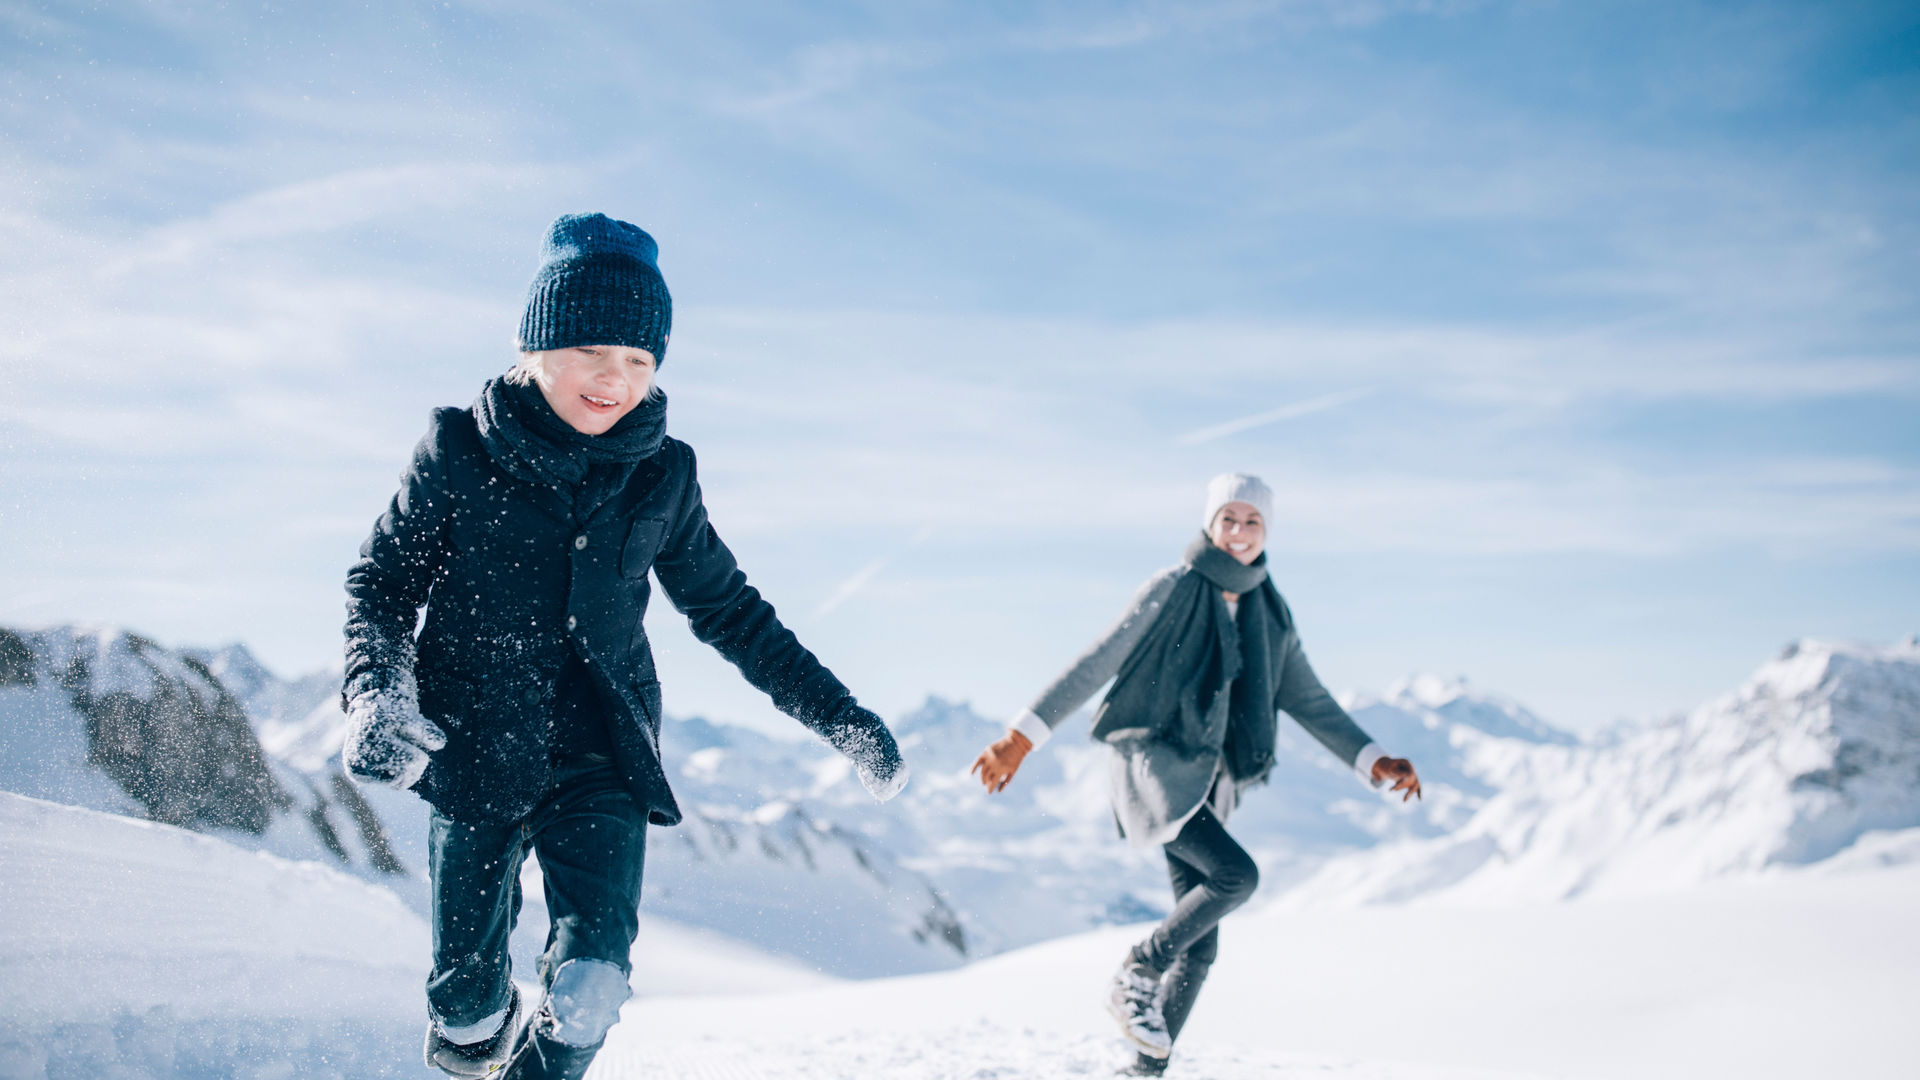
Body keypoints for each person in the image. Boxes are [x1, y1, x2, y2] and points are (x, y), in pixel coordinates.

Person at [341, 212, 909, 1080]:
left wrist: (842, 719)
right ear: (536, 348)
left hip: (603, 752)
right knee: (464, 1008)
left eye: (640, 360)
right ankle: (468, 1040)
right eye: (593, 354)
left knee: (592, 989)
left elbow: (732, 612)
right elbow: (380, 585)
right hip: (473, 744)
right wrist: (377, 691)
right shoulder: (458, 450)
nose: (616, 380)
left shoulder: (663, 475)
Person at [971, 472, 1420, 1076]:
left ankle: (1144, 1072)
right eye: (1227, 520)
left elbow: (1308, 698)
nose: (1238, 532)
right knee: (1236, 876)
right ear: (1210, 525)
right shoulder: (1173, 587)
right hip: (1155, 762)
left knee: (1202, 947)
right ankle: (1137, 971)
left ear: (1268, 531)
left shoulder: (1270, 612)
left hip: (1212, 779)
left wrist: (1372, 758)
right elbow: (1100, 658)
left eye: (1252, 521)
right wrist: (1021, 738)